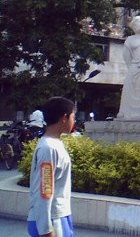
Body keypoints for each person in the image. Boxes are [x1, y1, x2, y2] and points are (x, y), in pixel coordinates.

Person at [27, 96, 75, 237]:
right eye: (73, 116)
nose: (74, 121)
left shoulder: (54, 144)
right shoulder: (49, 148)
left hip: (59, 216)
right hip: (53, 220)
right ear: (64, 117)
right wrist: (46, 229)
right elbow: (44, 189)